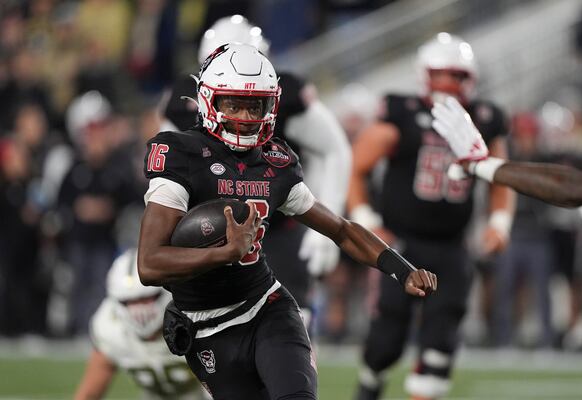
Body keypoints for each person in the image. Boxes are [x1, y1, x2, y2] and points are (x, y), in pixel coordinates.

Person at [138, 43, 437, 400]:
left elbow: (340, 229)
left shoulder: (274, 162)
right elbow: (150, 264)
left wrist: (402, 270)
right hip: (207, 328)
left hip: (265, 308)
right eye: (233, 103)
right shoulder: (181, 155)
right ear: (208, 101)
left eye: (255, 105)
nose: (246, 116)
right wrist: (222, 253)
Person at [350, 33, 515, 400]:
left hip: (452, 247)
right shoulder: (401, 112)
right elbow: (357, 164)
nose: (448, 84)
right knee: (385, 341)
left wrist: (499, 222)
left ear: (469, 78)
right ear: (423, 75)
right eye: (440, 74)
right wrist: (365, 217)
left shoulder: (485, 119)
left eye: (455, 75)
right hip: (400, 244)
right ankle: (369, 386)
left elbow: (501, 176)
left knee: (441, 339)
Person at [161, 15, 352, 330]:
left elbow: (335, 149)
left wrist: (325, 231)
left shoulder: (285, 92)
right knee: (211, 329)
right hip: (210, 230)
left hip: (277, 225)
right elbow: (166, 166)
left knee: (293, 325)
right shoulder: (184, 98)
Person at [431, 95, 582, 246]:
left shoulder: (550, 156)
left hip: (538, 233)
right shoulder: (517, 154)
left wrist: (480, 165)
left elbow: (574, 189)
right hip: (519, 231)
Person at [74, 248, 209, 400]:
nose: (139, 310)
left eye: (147, 299)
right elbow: (89, 393)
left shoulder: (196, 319)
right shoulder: (109, 327)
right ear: (115, 300)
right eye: (129, 302)